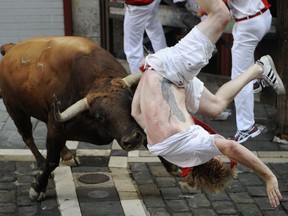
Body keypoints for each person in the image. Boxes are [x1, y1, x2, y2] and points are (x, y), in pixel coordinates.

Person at [131, 0, 283, 207]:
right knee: (215, 107)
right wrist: (147, 70)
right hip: (166, 76)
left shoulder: (197, 148)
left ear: (214, 160)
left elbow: (231, 147)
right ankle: (259, 69)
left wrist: (268, 176)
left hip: (174, 68)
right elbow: (136, 112)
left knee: (220, 14)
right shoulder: (160, 148)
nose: (220, 154)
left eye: (220, 158)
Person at [226, 0, 284, 143]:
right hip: (262, 15)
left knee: (239, 79)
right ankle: (255, 81)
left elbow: (216, 9)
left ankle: (246, 127)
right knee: (244, 69)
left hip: (248, 23)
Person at [123, 0, 167, 74]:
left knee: (132, 47)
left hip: (139, 4)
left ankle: (138, 79)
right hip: (151, 2)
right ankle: (166, 64)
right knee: (153, 29)